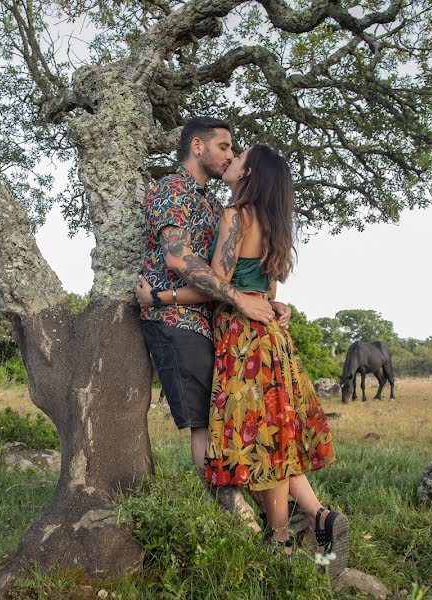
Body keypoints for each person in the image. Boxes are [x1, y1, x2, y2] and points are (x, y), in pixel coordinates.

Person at [138, 144, 349, 573]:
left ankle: (279, 540)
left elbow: (217, 284)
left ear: (250, 173)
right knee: (276, 436)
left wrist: (160, 295)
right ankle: (318, 517)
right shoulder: (275, 224)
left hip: (243, 338)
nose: (230, 161)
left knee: (260, 441)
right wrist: (277, 306)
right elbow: (268, 295)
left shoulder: (236, 216)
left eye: (238, 157)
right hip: (273, 337)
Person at [138, 117, 290, 526]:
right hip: (175, 318)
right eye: (224, 146)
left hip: (208, 321)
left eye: (233, 150)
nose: (229, 155)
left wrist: (261, 300)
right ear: (198, 147)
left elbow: (229, 273)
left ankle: (266, 512)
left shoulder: (210, 201)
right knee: (204, 423)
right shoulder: (172, 189)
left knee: (227, 418)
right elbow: (178, 257)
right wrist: (242, 299)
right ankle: (235, 520)